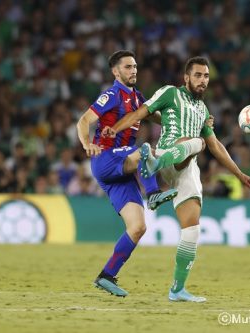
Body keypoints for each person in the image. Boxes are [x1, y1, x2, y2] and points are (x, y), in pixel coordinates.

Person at [103, 56, 250, 302]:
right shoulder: (170, 93)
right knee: (197, 142)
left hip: (186, 167)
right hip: (166, 154)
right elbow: (140, 112)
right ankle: (154, 163)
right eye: (197, 75)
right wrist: (115, 129)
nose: (202, 80)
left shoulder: (203, 111)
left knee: (192, 229)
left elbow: (216, 145)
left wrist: (238, 174)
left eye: (206, 76)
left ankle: (177, 290)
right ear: (186, 77)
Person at [76, 50, 178, 297]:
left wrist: (190, 122)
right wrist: (86, 143)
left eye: (135, 66)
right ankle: (153, 193)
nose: (133, 71)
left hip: (122, 168)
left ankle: (106, 275)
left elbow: (158, 118)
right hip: (107, 158)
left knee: (138, 227)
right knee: (144, 149)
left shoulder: (137, 97)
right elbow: (84, 120)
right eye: (128, 67)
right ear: (115, 71)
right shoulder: (112, 95)